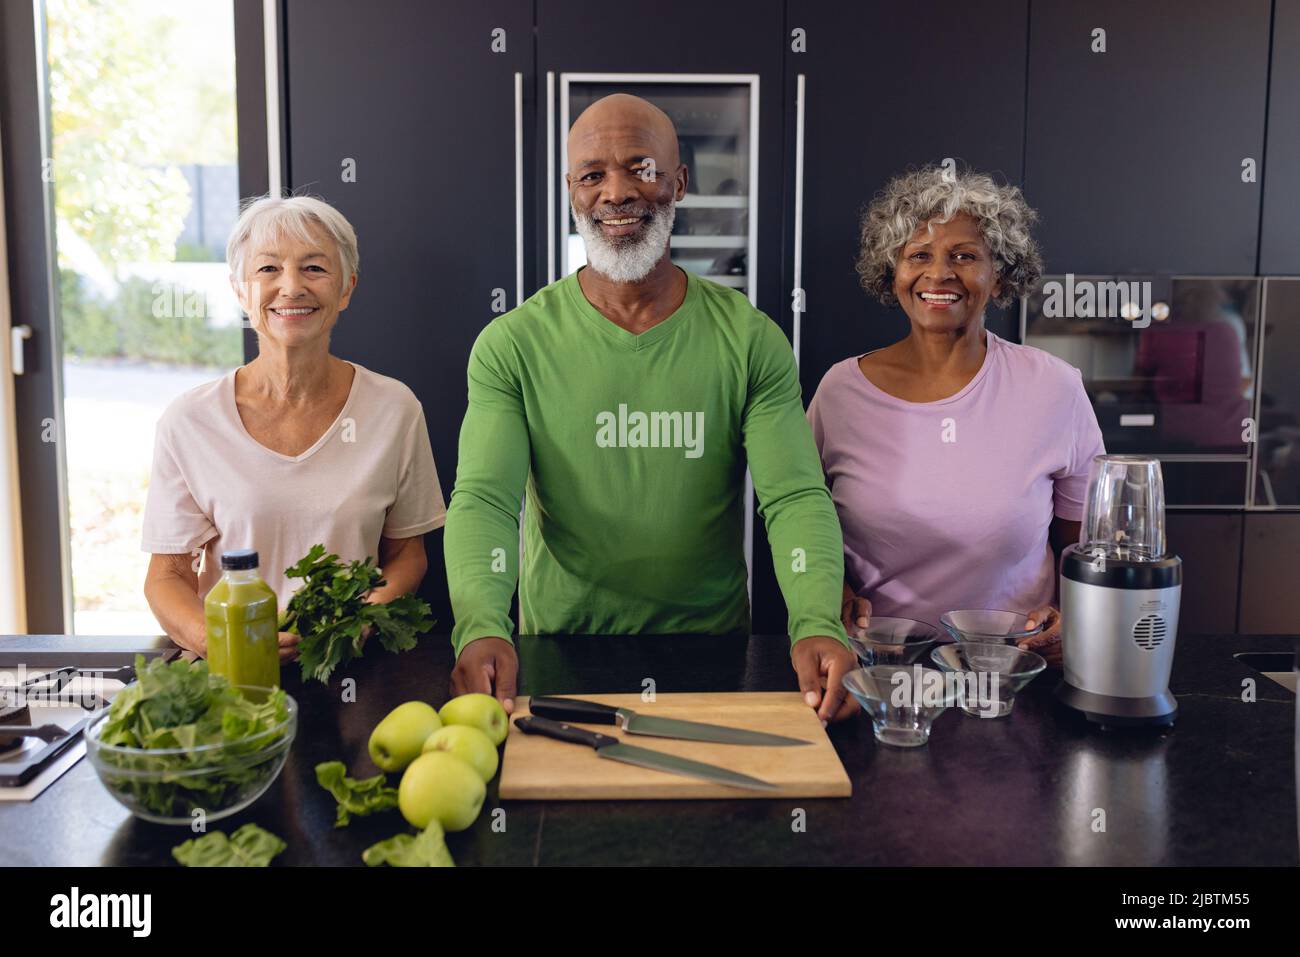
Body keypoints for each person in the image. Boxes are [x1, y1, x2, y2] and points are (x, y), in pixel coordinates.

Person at [444, 94, 856, 721]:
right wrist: (480, 626)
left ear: (679, 182)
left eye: (641, 167)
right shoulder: (512, 344)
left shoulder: (749, 340)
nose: (616, 192)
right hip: (558, 649)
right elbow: (485, 500)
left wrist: (818, 622)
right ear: (572, 191)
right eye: (592, 175)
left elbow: (794, 497)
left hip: (713, 651)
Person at [808, 166, 1105, 667]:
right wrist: (830, 594)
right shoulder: (840, 392)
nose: (939, 274)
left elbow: (1088, 543)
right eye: (918, 255)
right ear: (893, 271)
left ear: (1001, 272)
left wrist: (1070, 616)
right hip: (881, 669)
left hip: (1012, 671)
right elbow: (800, 520)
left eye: (964, 256)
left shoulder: (1054, 387)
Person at [141, 194, 446, 660]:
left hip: (351, 666)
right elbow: (167, 577)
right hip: (232, 671)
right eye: (268, 269)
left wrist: (361, 618)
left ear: (345, 289)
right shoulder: (190, 421)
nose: (291, 287)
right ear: (240, 290)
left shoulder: (394, 409)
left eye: (314, 269)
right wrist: (221, 643)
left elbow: (407, 556)